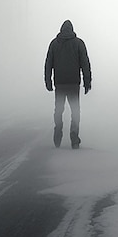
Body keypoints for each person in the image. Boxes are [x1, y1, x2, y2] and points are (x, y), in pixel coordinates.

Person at [44, 20, 92, 149]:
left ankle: (58, 131)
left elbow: (48, 63)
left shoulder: (54, 44)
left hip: (59, 83)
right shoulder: (78, 43)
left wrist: (48, 81)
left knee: (59, 109)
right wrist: (87, 82)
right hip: (73, 83)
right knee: (75, 111)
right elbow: (85, 63)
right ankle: (74, 137)